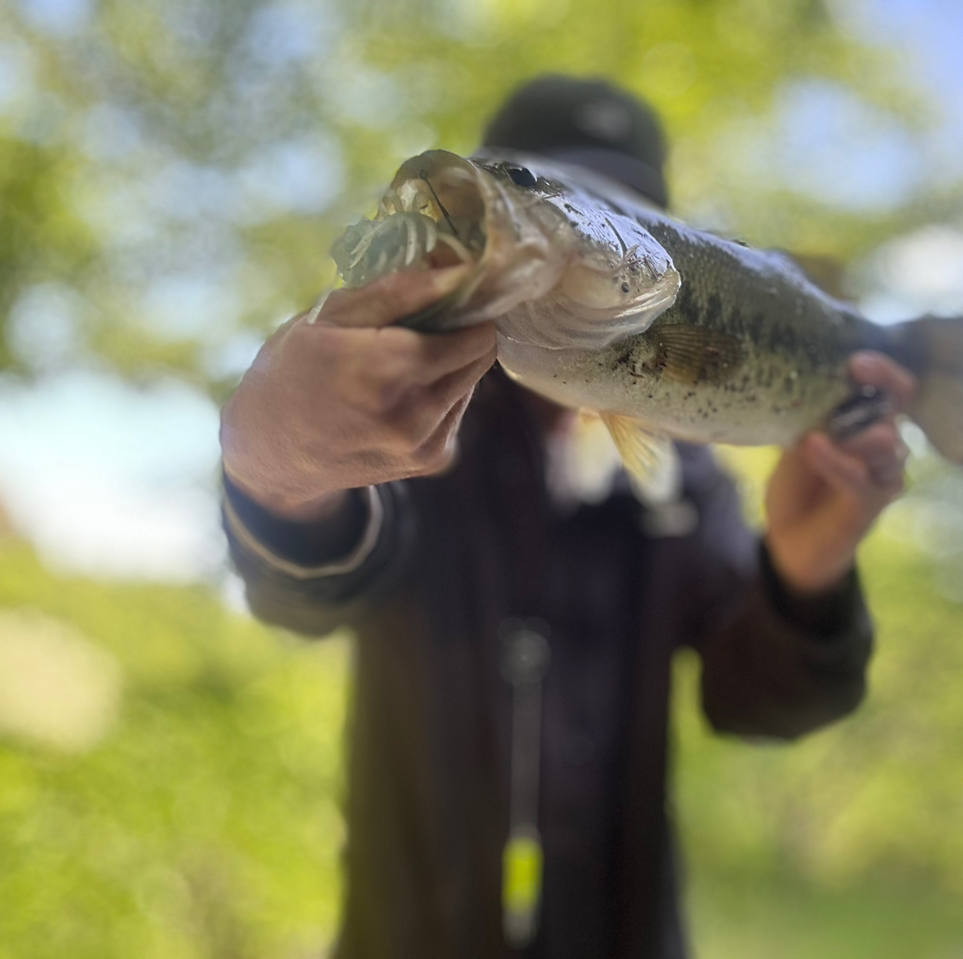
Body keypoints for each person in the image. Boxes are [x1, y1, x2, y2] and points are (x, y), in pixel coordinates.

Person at [219, 75, 913, 959]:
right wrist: (274, 468)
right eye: (532, 186)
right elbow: (306, 592)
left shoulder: (688, 473)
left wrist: (808, 569)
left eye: (600, 204)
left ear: (655, 245)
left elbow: (758, 702)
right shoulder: (412, 412)